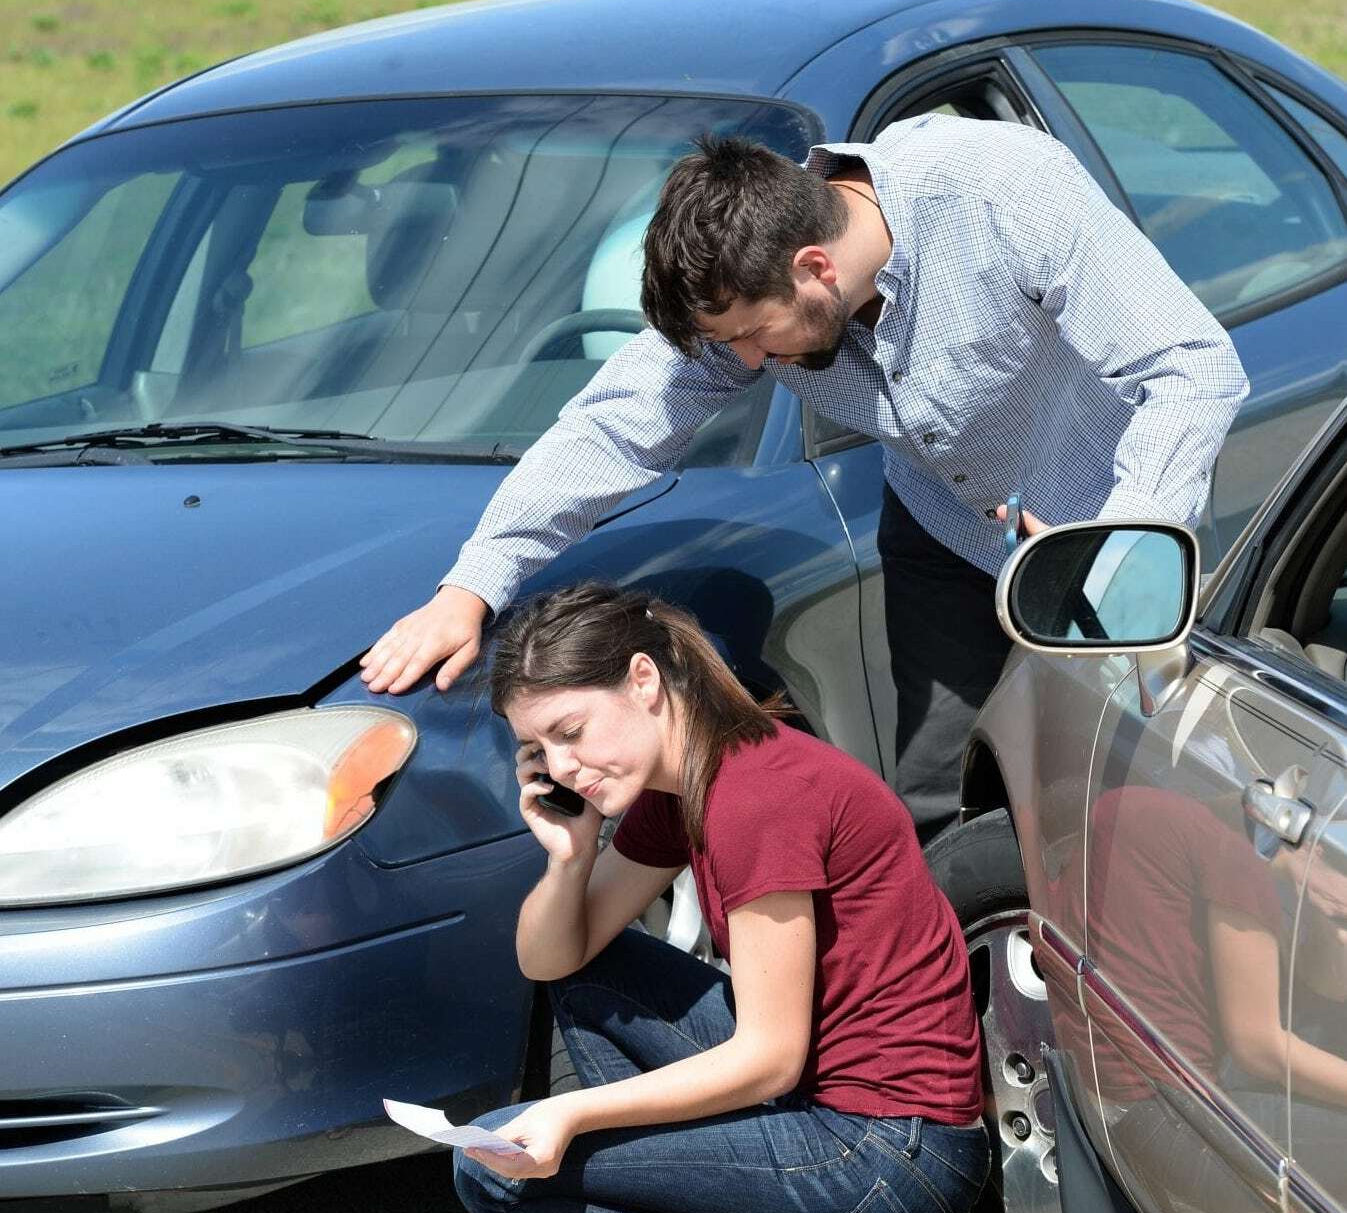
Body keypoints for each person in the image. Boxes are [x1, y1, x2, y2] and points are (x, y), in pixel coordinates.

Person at [360, 116, 1249, 840]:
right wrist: (470, 588)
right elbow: (611, 427)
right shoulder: (754, 292)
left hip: (1112, 533)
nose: (747, 364)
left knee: (1145, 801)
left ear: (813, 267)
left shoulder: (998, 190)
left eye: (755, 337)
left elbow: (1191, 367)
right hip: (947, 528)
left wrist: (1119, 543)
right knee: (943, 806)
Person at [451, 580, 990, 1213]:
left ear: (642, 681)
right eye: (536, 748)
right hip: (835, 1108)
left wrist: (575, 1114)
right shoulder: (690, 783)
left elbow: (766, 1056)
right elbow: (551, 957)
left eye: (571, 732)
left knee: (494, 1180)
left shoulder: (755, 798)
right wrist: (568, 855)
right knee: (591, 969)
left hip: (888, 1158)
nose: (560, 768)